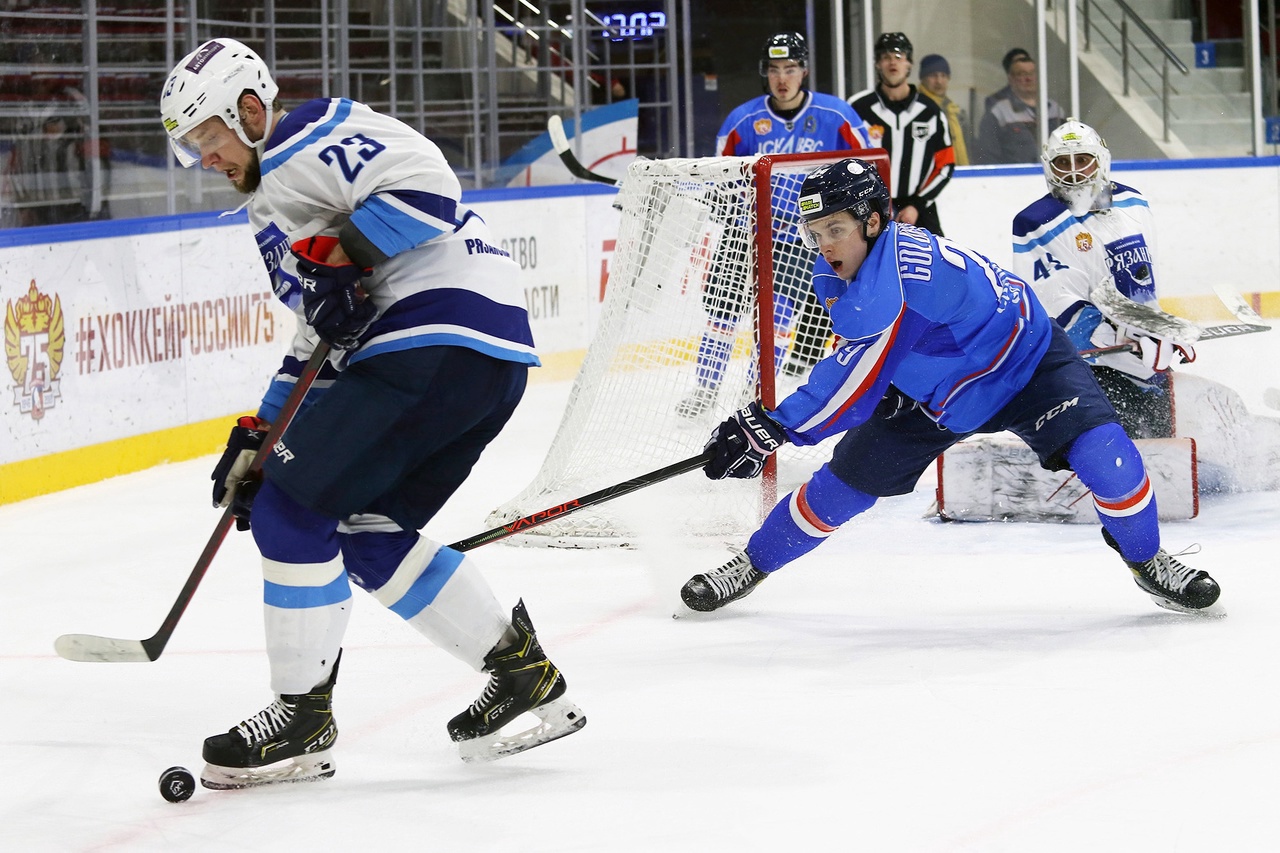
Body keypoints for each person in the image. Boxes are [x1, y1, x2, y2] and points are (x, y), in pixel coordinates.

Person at [159, 38, 585, 788]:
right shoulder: (273, 203)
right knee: (369, 534)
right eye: (193, 147)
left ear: (249, 110)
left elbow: (431, 188)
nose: (206, 159)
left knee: (292, 513)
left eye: (209, 137)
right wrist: (260, 434)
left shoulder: (305, 136)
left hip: (432, 336)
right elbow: (317, 329)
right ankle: (521, 672)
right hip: (477, 360)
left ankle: (300, 719)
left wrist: (345, 255)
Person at [678, 157, 1222, 617]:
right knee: (841, 489)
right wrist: (785, 421)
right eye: (815, 233)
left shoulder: (901, 279)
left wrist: (769, 426)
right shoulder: (844, 270)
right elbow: (866, 361)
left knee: (1107, 456)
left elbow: (852, 384)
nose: (823, 246)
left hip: (1029, 362)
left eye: (835, 229)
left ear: (872, 221)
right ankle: (751, 564)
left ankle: (1147, 559)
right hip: (941, 394)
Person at [1013, 119, 1280, 492]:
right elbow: (1056, 305)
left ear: (1102, 160)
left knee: (1164, 451)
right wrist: (1116, 335)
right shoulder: (1035, 223)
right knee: (1121, 460)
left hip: (1143, 362)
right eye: (1063, 163)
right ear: (1048, 167)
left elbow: (1139, 284)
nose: (1073, 173)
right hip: (1087, 371)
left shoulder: (1133, 202)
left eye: (1083, 160)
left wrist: (1158, 328)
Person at [679, 31, 871, 417]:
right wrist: (728, 199)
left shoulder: (836, 116)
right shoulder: (743, 120)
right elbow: (723, 175)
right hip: (744, 233)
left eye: (790, 69)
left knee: (779, 316)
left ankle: (755, 392)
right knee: (722, 312)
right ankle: (705, 389)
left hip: (800, 238)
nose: (782, 78)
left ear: (804, 71)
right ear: (764, 73)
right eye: (774, 70)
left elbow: (865, 166)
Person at [847, 32, 954, 235]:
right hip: (869, 208)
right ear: (877, 64)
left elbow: (945, 164)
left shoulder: (930, 111)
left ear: (909, 64)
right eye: (885, 57)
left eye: (898, 57)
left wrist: (917, 205)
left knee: (936, 254)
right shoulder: (858, 108)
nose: (892, 62)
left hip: (919, 209)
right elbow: (843, 160)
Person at [973, 49, 1064, 164]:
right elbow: (988, 156)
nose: (1028, 78)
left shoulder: (1055, 109)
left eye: (1032, 73)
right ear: (1011, 79)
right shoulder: (998, 112)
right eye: (1022, 74)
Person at [917, 53, 969, 166]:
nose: (939, 81)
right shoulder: (916, 110)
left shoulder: (955, 112)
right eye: (933, 75)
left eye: (943, 75)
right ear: (923, 78)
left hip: (959, 174)